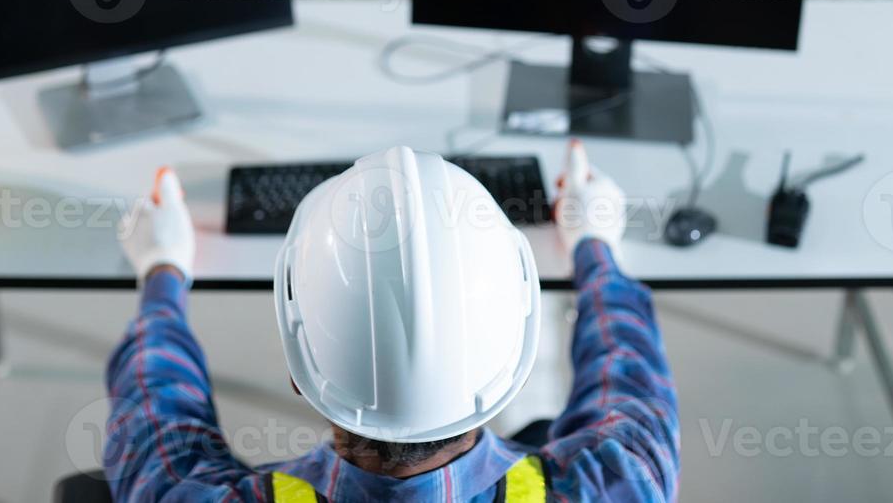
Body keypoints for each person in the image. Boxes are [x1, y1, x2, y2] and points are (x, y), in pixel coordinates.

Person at [104, 141, 679, 501]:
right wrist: (594, 245)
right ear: (514, 369)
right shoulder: (625, 482)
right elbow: (626, 373)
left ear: (300, 379)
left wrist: (162, 268)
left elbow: (157, 421)